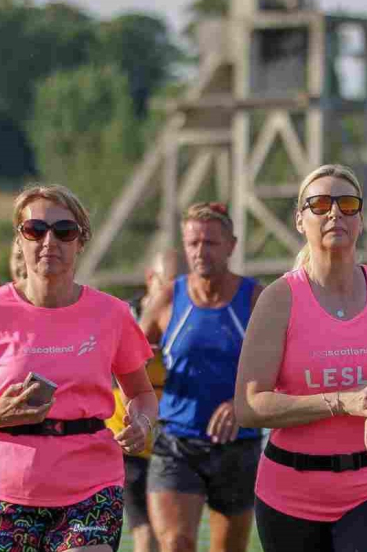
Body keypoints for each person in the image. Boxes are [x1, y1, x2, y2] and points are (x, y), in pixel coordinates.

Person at [0, 184, 159, 552]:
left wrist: (142, 423)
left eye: (64, 231)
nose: (49, 240)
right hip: (3, 486)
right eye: (35, 230)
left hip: (91, 485)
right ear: (19, 241)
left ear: (80, 242)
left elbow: (142, 394)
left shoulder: (112, 314)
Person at [235, 164, 367, 552]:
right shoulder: (279, 300)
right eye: (320, 204)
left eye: (347, 204)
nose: (335, 213)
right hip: (290, 497)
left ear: (361, 219)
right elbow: (248, 406)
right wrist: (343, 402)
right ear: (300, 219)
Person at [139, 203, 262, 552]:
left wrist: (242, 404)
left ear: (231, 245)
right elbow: (128, 362)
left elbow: (285, 370)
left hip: (239, 445)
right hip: (177, 443)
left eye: (210, 242)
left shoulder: (256, 299)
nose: (199, 251)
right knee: (176, 543)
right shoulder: (167, 298)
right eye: (192, 243)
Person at [107, 249, 177, 552]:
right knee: (145, 535)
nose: (176, 292)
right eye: (169, 283)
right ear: (151, 279)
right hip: (128, 444)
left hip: (171, 445)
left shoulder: (186, 324)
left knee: (170, 537)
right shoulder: (124, 317)